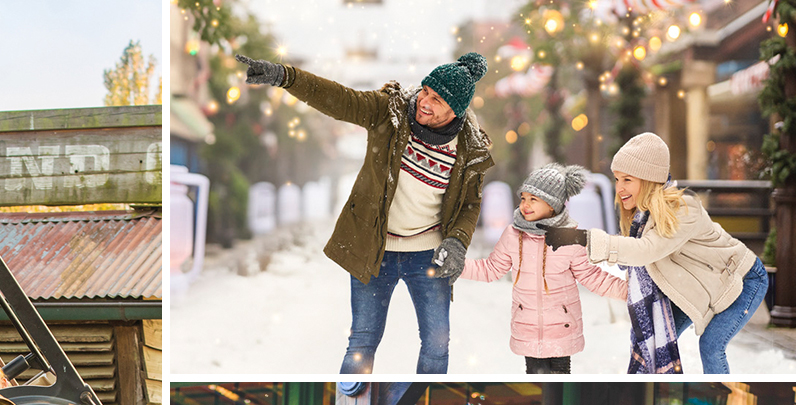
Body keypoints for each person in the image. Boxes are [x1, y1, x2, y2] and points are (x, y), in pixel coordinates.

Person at [235, 52, 495, 374]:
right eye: (425, 90)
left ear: (455, 110)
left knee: (437, 344)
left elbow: (469, 205)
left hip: (428, 254)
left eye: (437, 99)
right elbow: (340, 99)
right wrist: (285, 76)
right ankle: (353, 403)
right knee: (362, 340)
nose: (424, 101)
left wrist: (457, 241)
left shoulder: (469, 149)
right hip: (375, 248)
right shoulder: (391, 112)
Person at [544, 133, 766, 374]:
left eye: (627, 179)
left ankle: (717, 394)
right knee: (655, 335)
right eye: (617, 179)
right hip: (699, 287)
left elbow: (646, 250)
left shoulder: (684, 209)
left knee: (711, 346)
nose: (620, 188)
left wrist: (584, 239)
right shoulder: (641, 216)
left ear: (649, 180)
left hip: (741, 280)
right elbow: (632, 252)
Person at [461, 164, 627, 374]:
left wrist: (628, 292)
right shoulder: (513, 236)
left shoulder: (569, 238)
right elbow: (490, 269)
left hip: (562, 330)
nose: (525, 205)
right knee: (537, 377)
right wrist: (459, 267)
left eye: (534, 199)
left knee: (559, 380)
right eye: (523, 198)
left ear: (552, 205)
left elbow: (592, 276)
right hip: (527, 329)